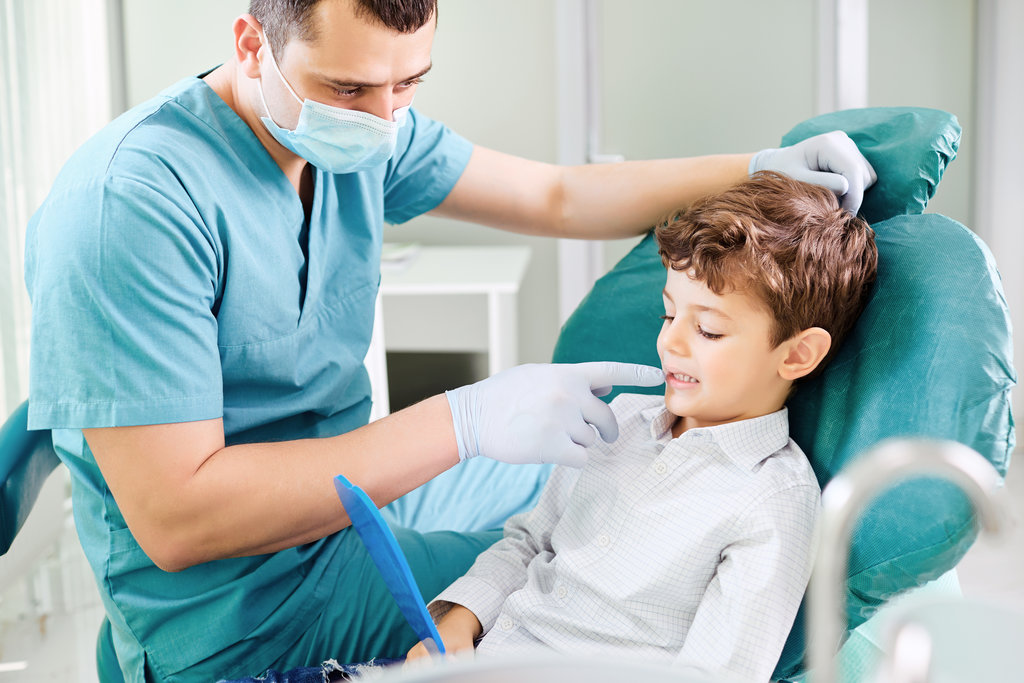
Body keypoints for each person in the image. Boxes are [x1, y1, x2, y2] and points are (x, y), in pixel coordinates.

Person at [23, 0, 875, 680]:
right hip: (238, 604)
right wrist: (464, 421)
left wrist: (760, 165)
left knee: (567, 538)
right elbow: (177, 519)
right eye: (352, 90)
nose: (385, 120)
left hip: (351, 517)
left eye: (410, 85)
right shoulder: (129, 207)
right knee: (581, 591)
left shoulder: (356, 132)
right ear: (252, 45)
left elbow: (557, 197)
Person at [407, 171, 879, 683]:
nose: (671, 343)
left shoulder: (772, 500)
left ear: (797, 354)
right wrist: (458, 620)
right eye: (667, 314)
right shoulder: (620, 421)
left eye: (708, 329)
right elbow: (529, 541)